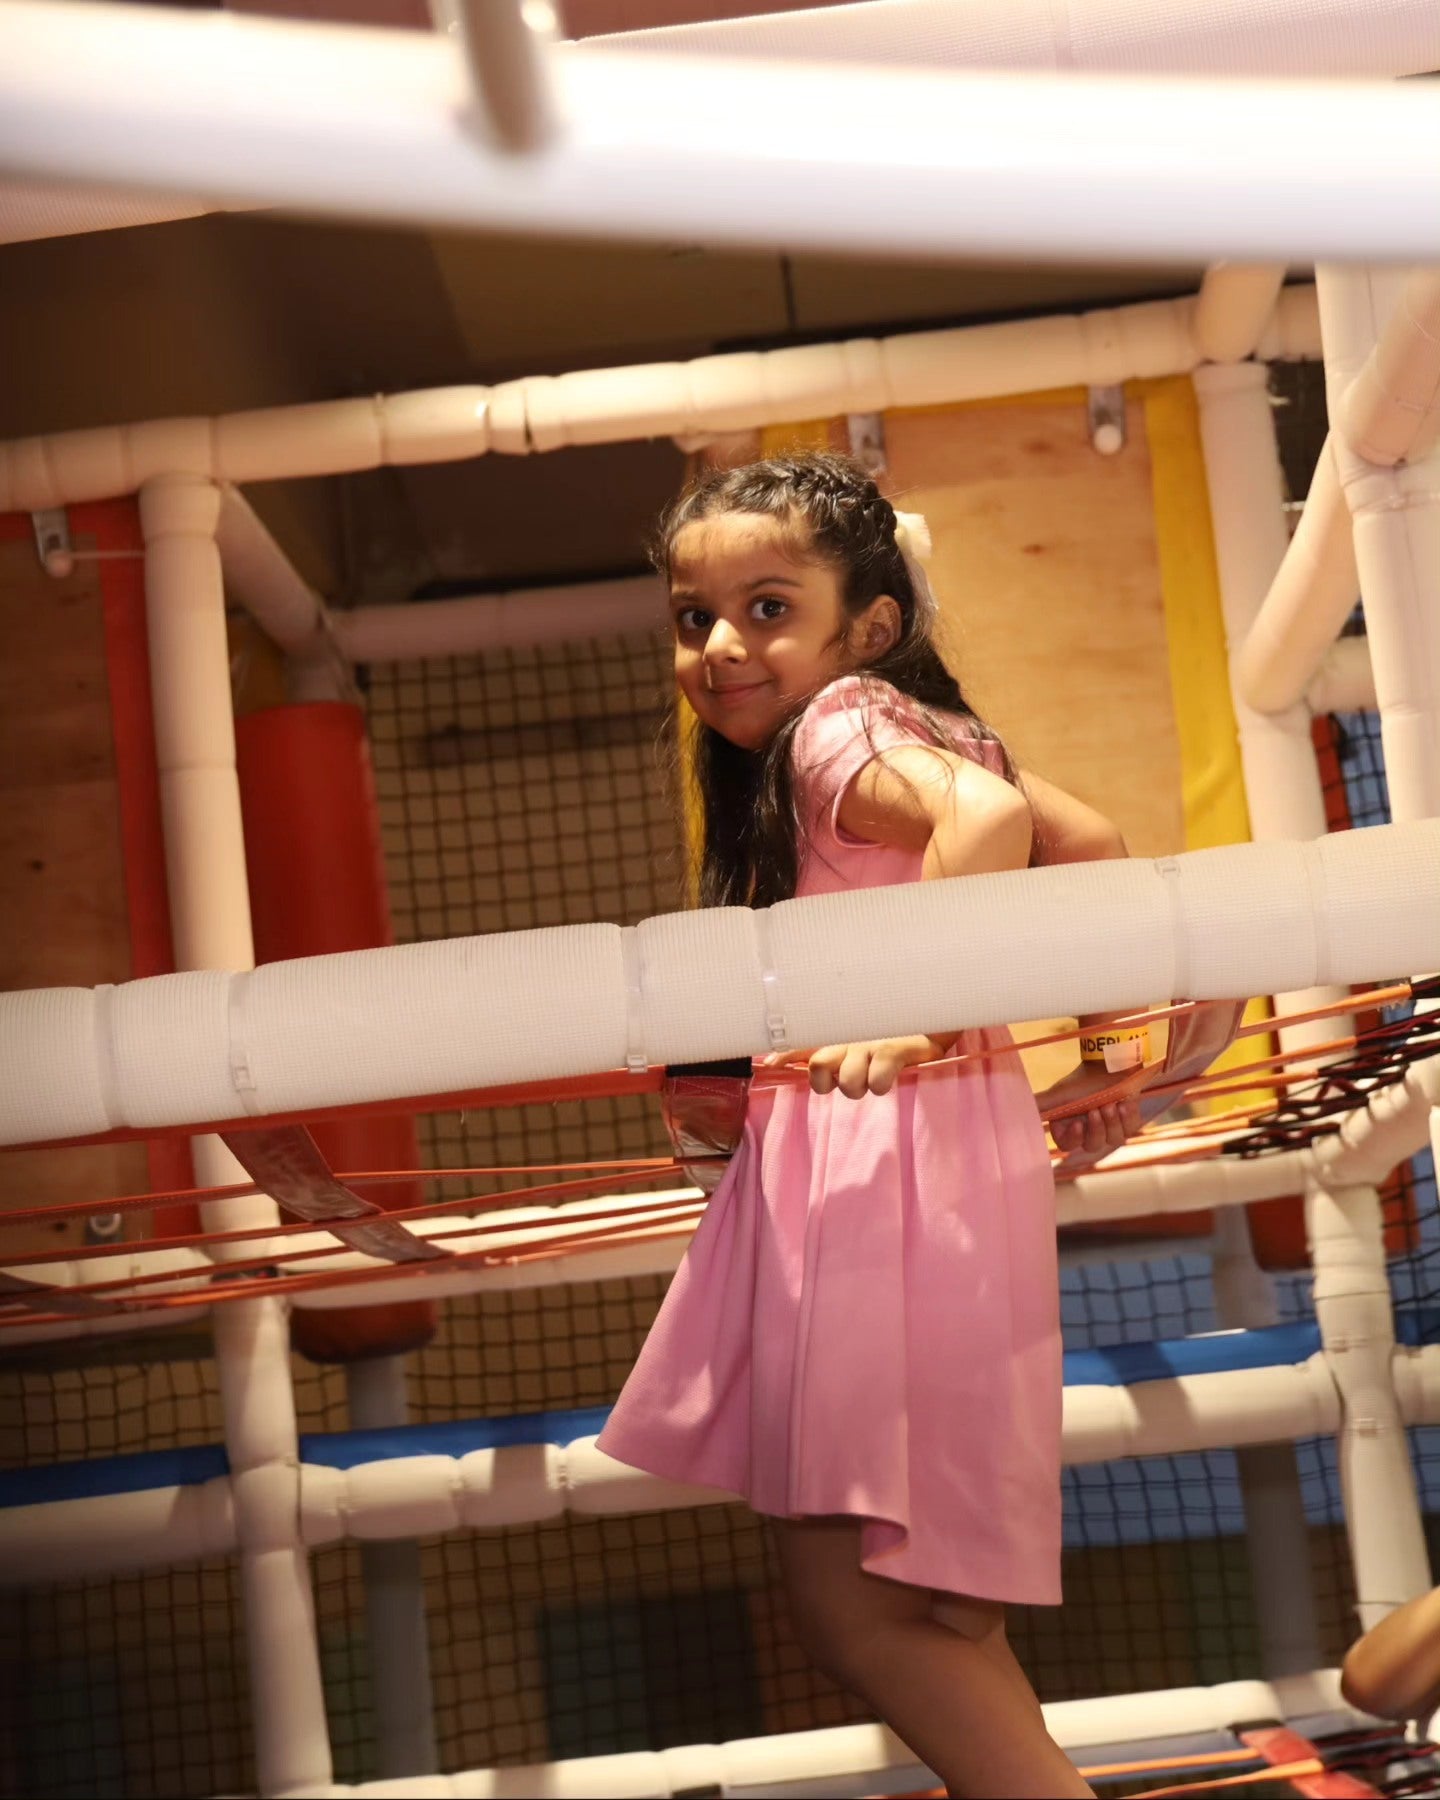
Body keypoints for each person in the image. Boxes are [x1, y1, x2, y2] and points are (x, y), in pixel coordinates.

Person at [597, 452, 1139, 1798]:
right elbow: (1089, 843)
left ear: (869, 624)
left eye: (768, 608)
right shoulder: (922, 726)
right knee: (928, 1613)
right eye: (694, 618)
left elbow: (993, 822)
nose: (721, 647)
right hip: (936, 1169)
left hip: (882, 1171)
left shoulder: (839, 729)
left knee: (862, 1612)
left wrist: (921, 1013)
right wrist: (1110, 1053)